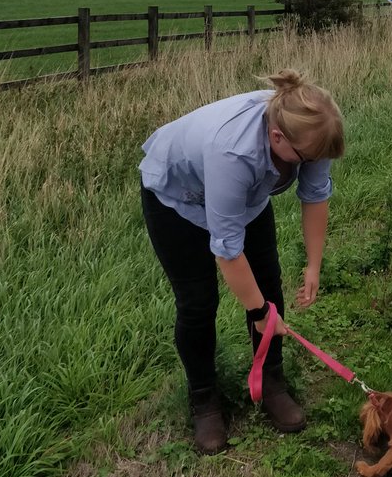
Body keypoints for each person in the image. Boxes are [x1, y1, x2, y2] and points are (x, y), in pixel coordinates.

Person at [139, 69, 344, 454]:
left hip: (244, 201)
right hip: (176, 200)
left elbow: (315, 195)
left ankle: (271, 384)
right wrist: (259, 310)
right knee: (198, 303)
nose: (312, 163)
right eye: (306, 158)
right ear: (277, 137)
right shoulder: (233, 150)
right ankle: (204, 401)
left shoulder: (312, 133)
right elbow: (228, 250)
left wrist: (313, 265)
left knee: (269, 284)